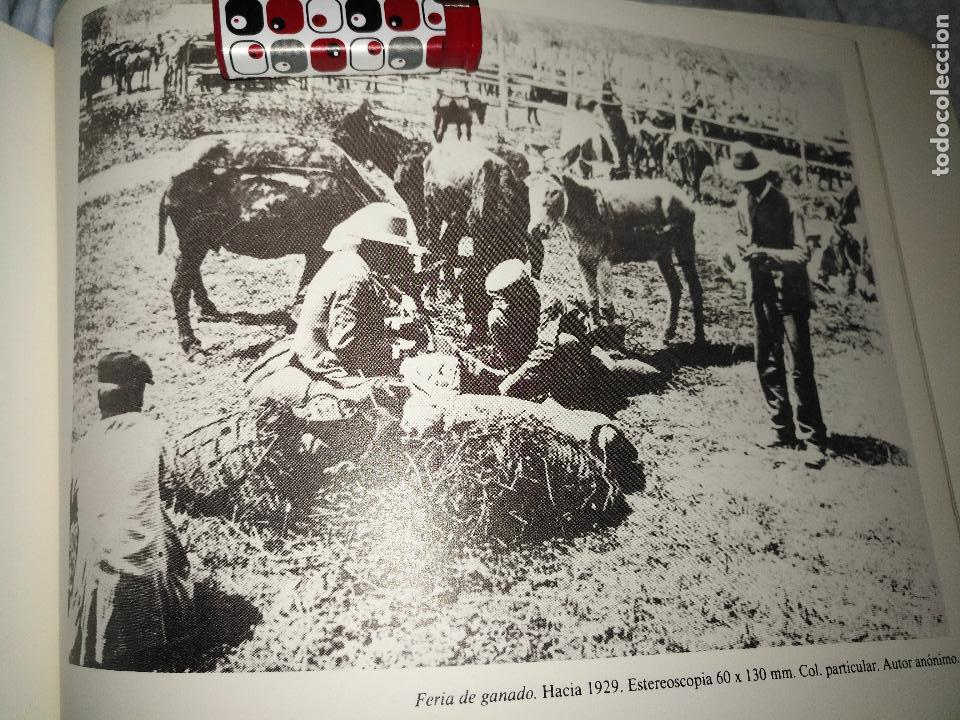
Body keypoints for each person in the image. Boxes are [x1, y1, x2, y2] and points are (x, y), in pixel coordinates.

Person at [246, 203, 424, 458]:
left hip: (315, 349)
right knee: (398, 400)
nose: (398, 257)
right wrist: (395, 348)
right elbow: (345, 343)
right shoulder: (355, 277)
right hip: (325, 364)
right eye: (394, 250)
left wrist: (390, 325)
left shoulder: (348, 261)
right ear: (378, 247)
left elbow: (351, 319)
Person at [69, 352, 194, 670]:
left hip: (97, 583)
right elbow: (171, 487)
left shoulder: (82, 447)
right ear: (138, 396)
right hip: (143, 581)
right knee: (160, 522)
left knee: (90, 527)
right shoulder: (154, 434)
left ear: (100, 401)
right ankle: (168, 623)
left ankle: (95, 631)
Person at [724, 142, 829, 469]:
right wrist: (737, 248)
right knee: (766, 361)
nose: (746, 185)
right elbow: (742, 235)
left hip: (790, 294)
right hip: (761, 291)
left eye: (750, 180)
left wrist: (767, 254)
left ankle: (814, 438)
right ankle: (782, 429)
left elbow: (802, 254)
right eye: (742, 180)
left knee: (799, 366)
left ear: (762, 176)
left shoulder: (787, 205)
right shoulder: (743, 200)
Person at [462, 259, 646, 412]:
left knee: (579, 351)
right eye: (497, 299)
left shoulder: (548, 302)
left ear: (519, 292)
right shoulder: (506, 308)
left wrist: (513, 380)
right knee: (495, 319)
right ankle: (534, 381)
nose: (499, 304)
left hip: (574, 352)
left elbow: (545, 349)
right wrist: (515, 374)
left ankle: (576, 396)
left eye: (502, 299)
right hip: (537, 351)